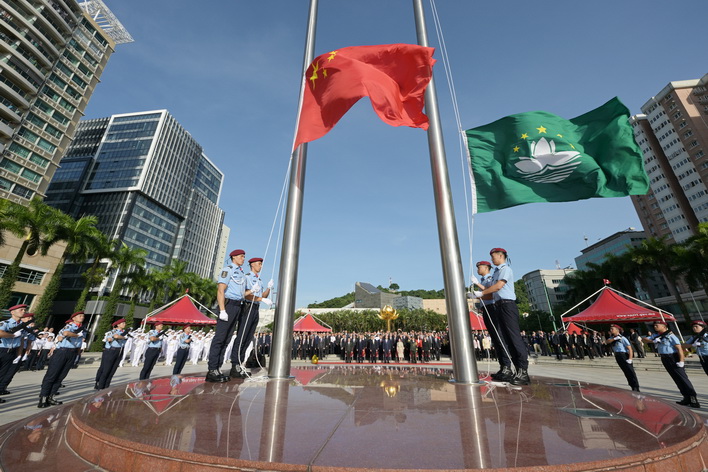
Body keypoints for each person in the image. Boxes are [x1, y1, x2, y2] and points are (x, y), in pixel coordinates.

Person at [470, 248, 529, 385]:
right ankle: (512, 369)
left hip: (507, 305)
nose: (492, 259)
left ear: (501, 256)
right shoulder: (497, 272)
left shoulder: (505, 269)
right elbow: (491, 292)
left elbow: (498, 286)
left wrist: (480, 293)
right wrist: (478, 295)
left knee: (514, 338)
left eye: (493, 256)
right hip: (499, 305)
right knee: (506, 339)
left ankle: (523, 371)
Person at [470, 260, 514, 381]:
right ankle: (503, 367)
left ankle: (507, 366)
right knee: (495, 338)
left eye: (479, 267)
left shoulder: (490, 279)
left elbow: (491, 294)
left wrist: (478, 289)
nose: (478, 269)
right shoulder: (484, 280)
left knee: (499, 337)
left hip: (492, 308)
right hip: (486, 308)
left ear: (486, 267)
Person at [207, 249, 247, 382]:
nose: (243, 259)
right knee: (220, 338)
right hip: (228, 305)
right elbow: (220, 290)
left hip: (237, 306)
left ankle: (217, 368)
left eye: (244, 257)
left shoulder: (240, 272)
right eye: (241, 256)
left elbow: (240, 293)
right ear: (234, 257)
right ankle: (212, 369)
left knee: (227, 339)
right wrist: (222, 310)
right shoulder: (227, 270)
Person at [231, 257, 273, 378]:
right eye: (259, 264)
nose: (261, 266)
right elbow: (246, 295)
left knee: (248, 337)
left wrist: (268, 288)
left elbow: (262, 296)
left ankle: (240, 363)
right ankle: (235, 364)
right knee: (242, 337)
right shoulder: (247, 277)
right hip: (248, 307)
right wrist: (261, 299)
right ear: (252, 265)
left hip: (255, 308)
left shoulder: (259, 280)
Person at [642, 320, 700, 408]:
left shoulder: (671, 336)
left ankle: (693, 398)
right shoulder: (656, 336)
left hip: (673, 357)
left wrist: (681, 361)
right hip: (664, 358)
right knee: (676, 379)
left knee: (683, 378)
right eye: (654, 325)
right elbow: (644, 340)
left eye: (657, 325)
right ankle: (686, 397)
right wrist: (653, 341)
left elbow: (679, 349)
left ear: (664, 326)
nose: (655, 327)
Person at [38, 312, 86, 408]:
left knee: (61, 376)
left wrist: (77, 353)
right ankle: (43, 397)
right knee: (52, 375)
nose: (82, 317)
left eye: (83, 316)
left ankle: (51, 396)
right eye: (80, 316)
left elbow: (79, 343)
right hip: (62, 352)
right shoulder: (69, 326)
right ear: (73, 318)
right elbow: (66, 333)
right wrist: (77, 335)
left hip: (72, 353)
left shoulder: (82, 329)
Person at [0, 305, 34, 402]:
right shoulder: (5, 323)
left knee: (2, 375)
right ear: (12, 312)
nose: (23, 311)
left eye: (24, 310)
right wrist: (12, 335)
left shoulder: (23, 326)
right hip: (1, 349)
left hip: (12, 351)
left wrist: (19, 355)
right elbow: (0, 333)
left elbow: (21, 341)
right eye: (21, 309)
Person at [604, 324, 640, 391]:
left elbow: (630, 349)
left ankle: (636, 387)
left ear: (617, 330)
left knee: (630, 371)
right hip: (617, 355)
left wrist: (630, 359)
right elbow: (607, 342)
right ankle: (631, 385)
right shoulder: (612, 338)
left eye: (612, 329)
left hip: (624, 355)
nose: (611, 330)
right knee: (625, 372)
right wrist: (614, 339)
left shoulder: (622, 338)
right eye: (610, 329)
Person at [95, 318, 128, 390]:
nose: (124, 324)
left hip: (119, 351)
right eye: (123, 323)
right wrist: (123, 337)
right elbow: (115, 336)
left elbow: (122, 338)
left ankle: (106, 387)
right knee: (106, 369)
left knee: (113, 370)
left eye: (124, 323)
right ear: (118, 324)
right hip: (111, 351)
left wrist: (123, 337)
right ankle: (100, 386)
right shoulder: (113, 331)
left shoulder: (125, 332)